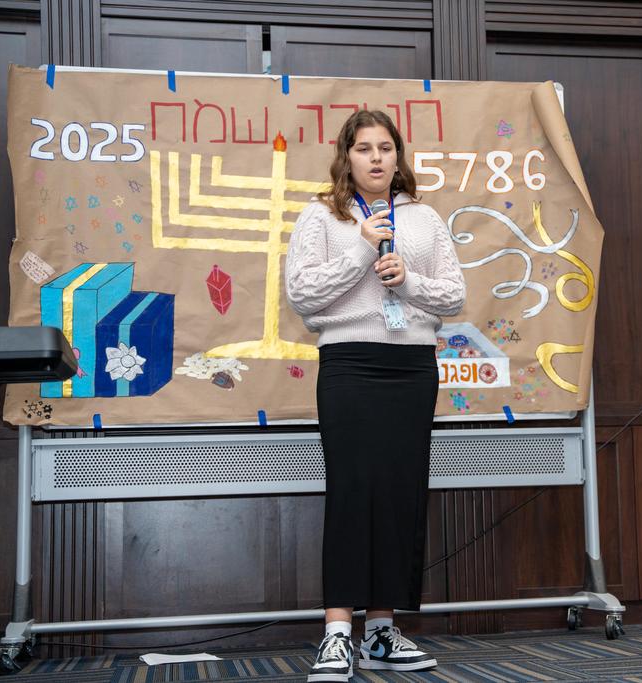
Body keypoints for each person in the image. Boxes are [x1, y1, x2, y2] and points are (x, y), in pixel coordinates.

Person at [285, 110, 466, 682]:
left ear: (398, 155)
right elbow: (302, 294)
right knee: (353, 490)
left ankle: (381, 632)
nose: (377, 158)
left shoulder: (425, 218)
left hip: (411, 366)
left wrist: (408, 279)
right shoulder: (321, 215)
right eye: (364, 148)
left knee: (399, 494)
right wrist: (362, 251)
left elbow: (454, 296)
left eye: (386, 147)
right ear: (347, 156)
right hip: (350, 363)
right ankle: (337, 632)